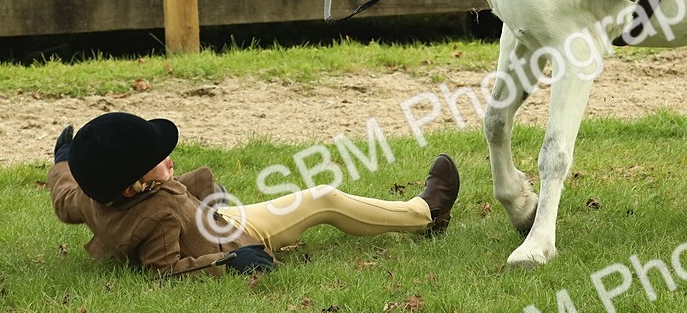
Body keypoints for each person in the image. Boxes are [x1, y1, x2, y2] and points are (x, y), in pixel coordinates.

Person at [47, 112, 460, 277]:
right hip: (233, 236)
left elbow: (65, 195)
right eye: (157, 159)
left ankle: (421, 214)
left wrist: (65, 159)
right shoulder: (157, 219)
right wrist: (230, 262)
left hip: (217, 220)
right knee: (324, 198)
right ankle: (425, 213)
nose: (168, 158)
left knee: (320, 197)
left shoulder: (93, 194)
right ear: (134, 186)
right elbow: (167, 270)